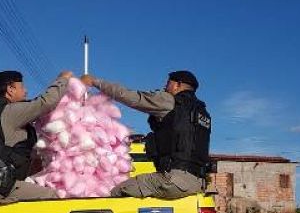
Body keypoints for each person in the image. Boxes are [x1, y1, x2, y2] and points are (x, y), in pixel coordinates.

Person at [80, 70, 211, 199]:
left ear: (178, 85)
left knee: (116, 191)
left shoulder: (169, 101)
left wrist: (95, 82)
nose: (165, 87)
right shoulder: (202, 113)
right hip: (198, 183)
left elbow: (129, 96)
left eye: (168, 83)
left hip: (174, 180)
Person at [0, 70, 72, 204]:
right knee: (56, 197)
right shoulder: (9, 111)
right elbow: (45, 103)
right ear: (10, 89)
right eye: (22, 87)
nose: (26, 91)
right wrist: (63, 79)